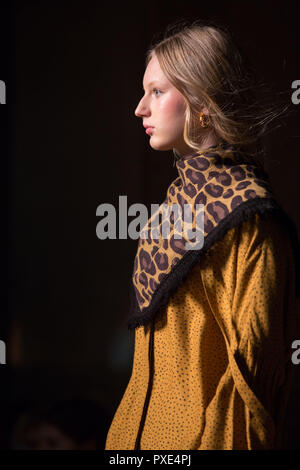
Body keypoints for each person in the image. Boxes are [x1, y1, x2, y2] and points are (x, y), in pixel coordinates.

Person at [105, 20, 300, 450]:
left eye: (157, 91)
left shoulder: (250, 220)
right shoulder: (166, 214)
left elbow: (253, 380)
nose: (140, 108)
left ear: (203, 101)